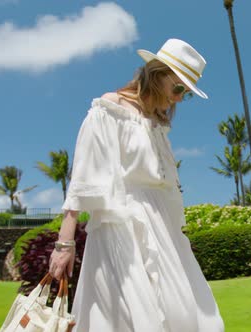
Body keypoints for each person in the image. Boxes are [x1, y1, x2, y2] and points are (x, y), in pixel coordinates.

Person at [49, 38, 225, 332]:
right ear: (156, 75)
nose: (180, 98)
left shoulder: (157, 124)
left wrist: (175, 234)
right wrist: (65, 243)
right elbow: (84, 177)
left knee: (185, 314)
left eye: (186, 93)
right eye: (178, 88)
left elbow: (166, 187)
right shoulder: (109, 109)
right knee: (127, 318)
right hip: (119, 224)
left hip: (162, 229)